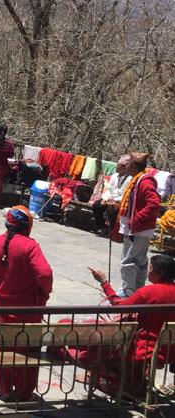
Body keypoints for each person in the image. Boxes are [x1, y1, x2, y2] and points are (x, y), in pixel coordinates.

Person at [0, 205, 53, 403]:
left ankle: (4, 389)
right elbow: (45, 274)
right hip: (26, 308)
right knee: (27, 349)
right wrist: (43, 295)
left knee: (1, 349)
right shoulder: (30, 246)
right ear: (26, 226)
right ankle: (23, 392)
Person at [85, 255, 175, 396]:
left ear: (159, 272)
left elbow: (119, 306)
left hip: (148, 348)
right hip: (171, 349)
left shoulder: (149, 292)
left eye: (150, 268)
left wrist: (104, 282)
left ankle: (127, 386)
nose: (147, 272)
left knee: (105, 346)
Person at [117, 152, 162, 297]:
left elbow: (153, 203)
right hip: (137, 228)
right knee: (140, 260)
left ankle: (128, 291)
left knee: (128, 261)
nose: (126, 165)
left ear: (135, 166)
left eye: (128, 163)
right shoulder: (136, 180)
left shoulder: (145, 181)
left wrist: (137, 218)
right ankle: (138, 289)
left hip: (138, 228)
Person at [91, 155, 131, 235]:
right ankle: (102, 227)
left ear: (124, 167)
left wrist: (115, 201)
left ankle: (112, 230)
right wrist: (105, 199)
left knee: (113, 208)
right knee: (96, 205)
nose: (116, 167)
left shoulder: (130, 179)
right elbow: (108, 189)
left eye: (118, 166)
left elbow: (127, 195)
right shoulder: (114, 176)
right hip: (110, 198)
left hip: (121, 201)